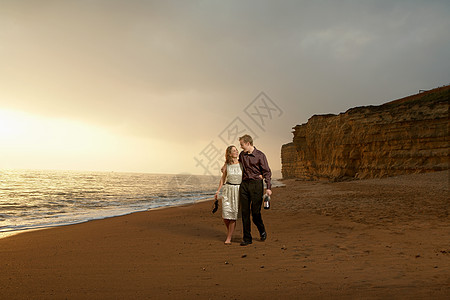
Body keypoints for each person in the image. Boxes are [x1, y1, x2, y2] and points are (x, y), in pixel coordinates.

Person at [238, 134, 272, 246]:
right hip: (244, 185)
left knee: (255, 213)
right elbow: (236, 164)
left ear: (248, 143)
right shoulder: (242, 155)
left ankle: (261, 230)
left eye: (242, 144)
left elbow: (267, 172)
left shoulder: (260, 155)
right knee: (245, 212)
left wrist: (268, 188)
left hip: (256, 185)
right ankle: (247, 238)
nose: (241, 147)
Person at [214, 145, 242, 245]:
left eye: (236, 150)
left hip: (238, 191)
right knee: (226, 216)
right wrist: (218, 191)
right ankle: (230, 231)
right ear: (230, 154)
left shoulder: (242, 164)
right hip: (227, 190)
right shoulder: (227, 165)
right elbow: (223, 178)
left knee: (233, 216)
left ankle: (229, 237)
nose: (236, 151)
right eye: (234, 151)